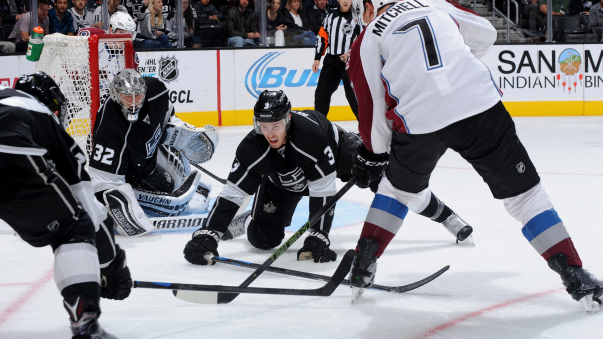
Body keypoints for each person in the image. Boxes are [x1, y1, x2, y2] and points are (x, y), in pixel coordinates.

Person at [346, 0, 603, 313]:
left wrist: (373, 153)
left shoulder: (367, 38)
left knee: (397, 189)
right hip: (477, 103)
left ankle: (363, 263)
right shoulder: (431, 1)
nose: (362, 20)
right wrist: (456, 64)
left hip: (420, 121)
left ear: (369, 6)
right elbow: (485, 33)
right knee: (526, 196)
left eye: (361, 13)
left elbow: (370, 104)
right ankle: (576, 276)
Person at [182, 91, 472, 266]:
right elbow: (233, 193)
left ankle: (446, 216)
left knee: (392, 183)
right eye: (264, 125)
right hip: (283, 180)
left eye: (277, 124)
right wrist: (208, 233)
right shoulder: (252, 148)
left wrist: (318, 235)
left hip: (338, 156)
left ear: (289, 120)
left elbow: (323, 190)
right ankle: (248, 221)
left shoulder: (311, 137)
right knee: (263, 239)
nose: (271, 132)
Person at [0, 73, 131, 339]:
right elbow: (87, 203)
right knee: (74, 226)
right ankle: (87, 329)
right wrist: (112, 263)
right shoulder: (40, 115)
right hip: (10, 153)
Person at [88, 69, 219, 234]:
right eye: (128, 96)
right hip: (130, 174)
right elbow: (102, 184)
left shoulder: (156, 91)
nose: (134, 102)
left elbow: (166, 113)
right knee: (170, 199)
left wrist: (175, 130)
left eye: (138, 95)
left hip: (148, 157)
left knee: (172, 183)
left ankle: (198, 189)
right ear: (116, 96)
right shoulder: (110, 130)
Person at [313, 0, 359, 119]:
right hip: (331, 61)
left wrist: (350, 53)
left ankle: (365, 128)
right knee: (321, 93)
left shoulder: (357, 18)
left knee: (352, 95)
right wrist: (317, 58)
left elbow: (363, 41)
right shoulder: (330, 16)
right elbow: (323, 37)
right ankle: (320, 125)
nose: (346, 1)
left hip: (349, 63)